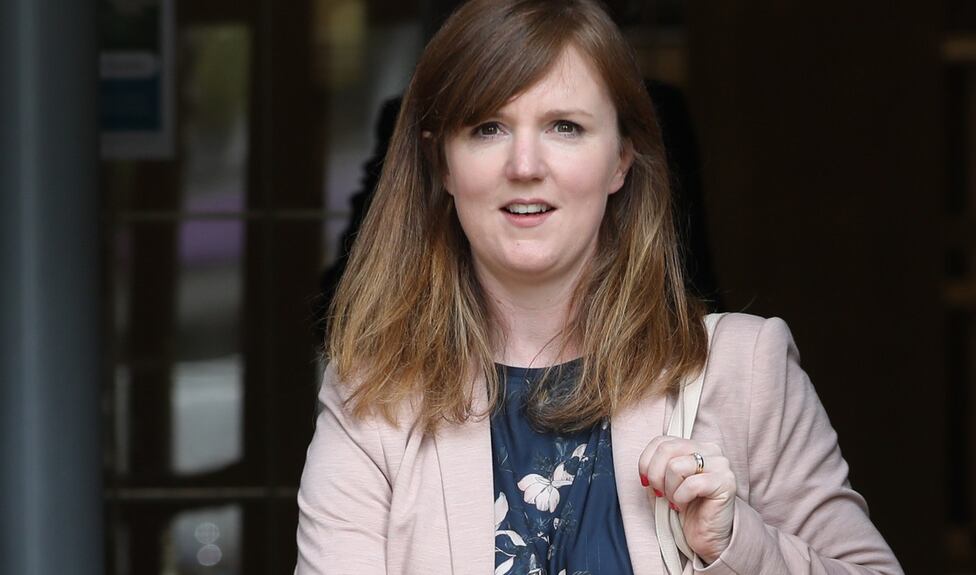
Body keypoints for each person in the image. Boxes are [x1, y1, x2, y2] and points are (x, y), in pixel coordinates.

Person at [295, 0, 903, 573]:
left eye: (565, 126)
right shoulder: (370, 400)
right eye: (487, 128)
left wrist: (737, 542)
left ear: (621, 159)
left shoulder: (745, 370)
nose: (525, 164)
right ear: (442, 165)